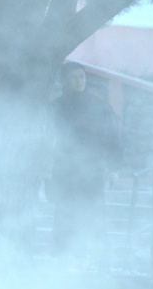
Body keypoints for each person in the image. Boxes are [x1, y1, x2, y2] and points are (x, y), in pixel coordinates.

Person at [50, 61, 121, 265]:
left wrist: (114, 168)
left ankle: (101, 258)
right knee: (64, 213)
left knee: (96, 213)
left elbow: (112, 138)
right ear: (64, 81)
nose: (79, 81)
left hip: (92, 170)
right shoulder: (55, 108)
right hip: (64, 171)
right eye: (73, 77)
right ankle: (62, 256)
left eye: (82, 76)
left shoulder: (99, 106)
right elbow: (48, 139)